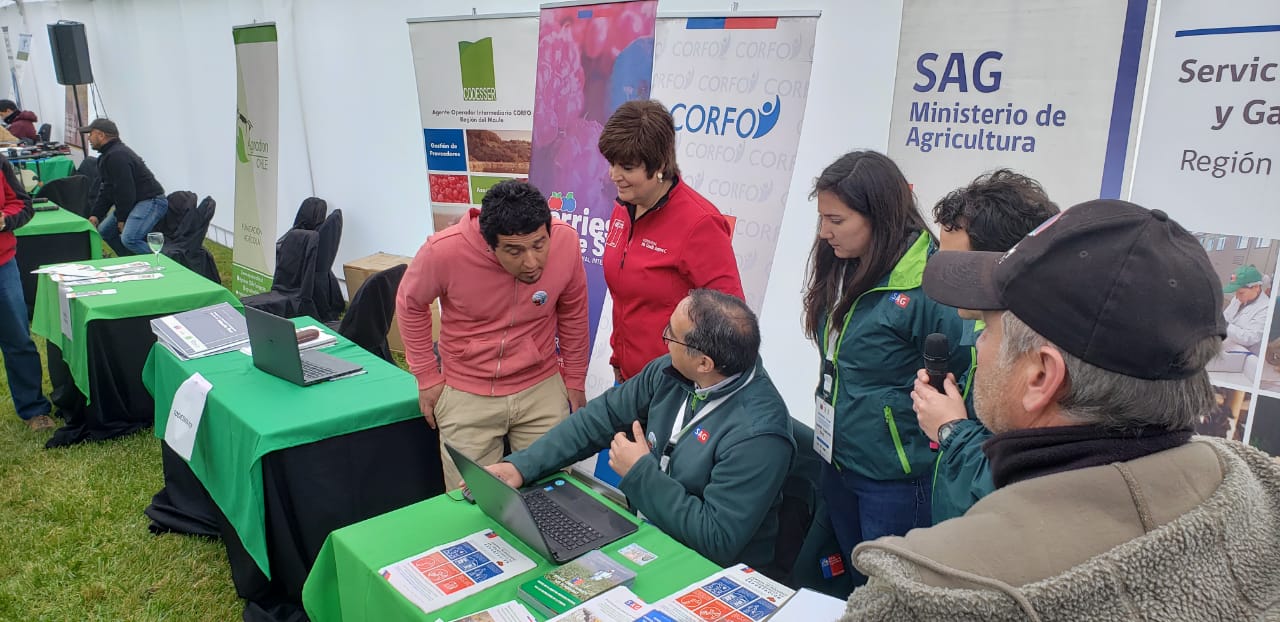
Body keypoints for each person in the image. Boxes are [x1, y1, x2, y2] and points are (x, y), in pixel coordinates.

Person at [842, 199, 1280, 620]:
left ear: (1040, 377)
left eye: (987, 327)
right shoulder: (1260, 501)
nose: (978, 343)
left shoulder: (925, 591)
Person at [484, 289, 795, 569]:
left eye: (671, 335)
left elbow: (717, 539)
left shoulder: (759, 436)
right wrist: (522, 466)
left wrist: (640, 473)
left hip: (707, 571)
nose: (664, 339)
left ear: (704, 363)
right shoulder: (670, 372)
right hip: (648, 536)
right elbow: (601, 417)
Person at [801, 150, 970, 584]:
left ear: (878, 215)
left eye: (836, 220)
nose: (824, 232)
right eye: (822, 219)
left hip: (895, 479)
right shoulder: (841, 263)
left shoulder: (928, 284)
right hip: (839, 459)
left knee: (888, 593)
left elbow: (965, 374)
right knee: (854, 582)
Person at [397, 179, 590, 490]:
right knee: (473, 498)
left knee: (552, 492)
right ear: (489, 243)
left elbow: (574, 311)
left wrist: (576, 378)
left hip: (540, 387)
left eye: (539, 245)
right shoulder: (444, 251)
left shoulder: (566, 241)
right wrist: (427, 376)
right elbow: (411, 304)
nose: (531, 262)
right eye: (514, 251)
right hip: (467, 392)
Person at [909, 169, 1060, 523]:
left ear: (1004, 261)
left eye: (955, 264)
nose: (941, 275)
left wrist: (950, 429)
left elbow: (1021, 488)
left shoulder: (1035, 352)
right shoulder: (979, 324)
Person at [599, 99, 743, 383]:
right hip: (628, 379)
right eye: (612, 163)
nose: (614, 175)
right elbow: (626, 299)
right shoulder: (624, 207)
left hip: (672, 385)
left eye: (627, 167)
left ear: (660, 165)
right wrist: (618, 356)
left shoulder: (700, 223)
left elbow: (731, 318)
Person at [0, 151, 53, 430]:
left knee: (17, 339)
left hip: (2, 264)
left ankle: (34, 409)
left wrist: (5, 220)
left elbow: (22, 204)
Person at [79, 119, 167, 256]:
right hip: (137, 201)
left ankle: (167, 263)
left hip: (151, 201)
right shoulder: (108, 155)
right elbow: (107, 190)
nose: (88, 138)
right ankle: (132, 261)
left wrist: (122, 218)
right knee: (105, 232)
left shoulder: (117, 156)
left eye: (91, 134)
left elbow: (125, 190)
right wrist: (96, 215)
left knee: (130, 239)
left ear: (101, 135)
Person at [1208, 264, 1270, 378]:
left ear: (1256, 287)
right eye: (1236, 292)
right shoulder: (1238, 299)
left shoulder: (1265, 308)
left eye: (1241, 293)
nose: (1237, 296)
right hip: (1228, 347)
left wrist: (1225, 325)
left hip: (1247, 361)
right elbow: (1226, 317)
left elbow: (1250, 337)